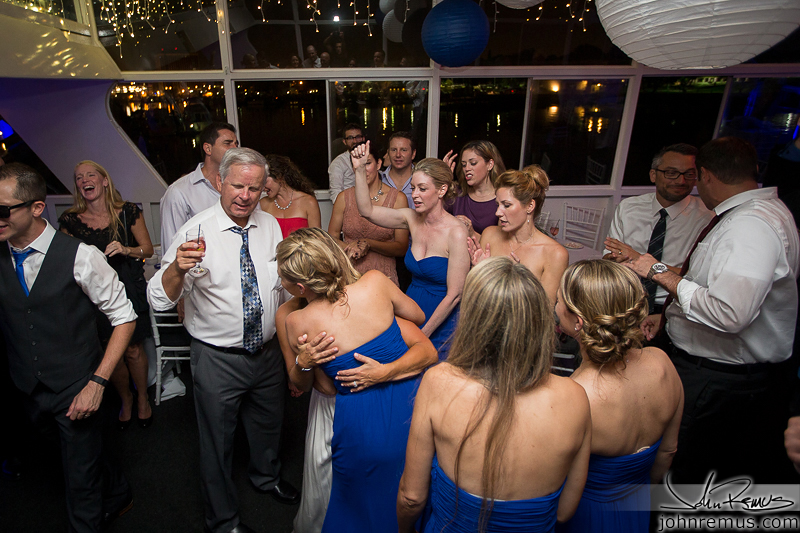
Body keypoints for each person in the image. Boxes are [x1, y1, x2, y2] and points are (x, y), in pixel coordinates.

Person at [625, 137, 800, 484]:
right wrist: (669, 314)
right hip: (722, 375)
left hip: (718, 382)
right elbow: (713, 286)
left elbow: (729, 313)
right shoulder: (757, 214)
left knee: (685, 470)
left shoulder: (750, 226)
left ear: (705, 175)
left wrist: (656, 270)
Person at [148, 148, 299, 533]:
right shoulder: (194, 232)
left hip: (267, 352)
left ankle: (266, 477)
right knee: (217, 442)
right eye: (237, 186)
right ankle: (223, 520)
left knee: (269, 424)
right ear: (220, 182)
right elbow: (158, 298)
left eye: (254, 188)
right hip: (217, 358)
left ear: (263, 188)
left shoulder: (269, 225)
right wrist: (177, 270)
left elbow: (280, 287)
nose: (245, 196)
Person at [397, 257, 592, 533]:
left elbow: (411, 498)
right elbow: (564, 511)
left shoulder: (439, 382)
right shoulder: (575, 397)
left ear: (472, 321)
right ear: (538, 322)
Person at [0, 163, 137, 533]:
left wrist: (98, 382)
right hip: (27, 386)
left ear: (36, 208)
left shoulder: (80, 255)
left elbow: (124, 317)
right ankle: (118, 490)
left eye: (3, 209)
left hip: (76, 385)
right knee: (73, 455)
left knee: (80, 480)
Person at [277, 227, 437, 533]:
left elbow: (317, 386)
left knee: (358, 501)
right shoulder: (375, 282)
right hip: (411, 403)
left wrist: (303, 362)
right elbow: (417, 317)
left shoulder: (297, 321)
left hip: (360, 418)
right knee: (416, 483)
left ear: (300, 287)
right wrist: (382, 325)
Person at [554, 260, 684, 533]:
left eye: (559, 301)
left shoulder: (574, 395)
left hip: (585, 516)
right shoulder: (662, 363)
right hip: (638, 504)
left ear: (578, 322)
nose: (556, 307)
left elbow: (552, 490)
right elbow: (668, 451)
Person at [59, 160, 155, 430]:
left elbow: (147, 249)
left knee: (133, 349)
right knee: (109, 351)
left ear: (104, 181)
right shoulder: (70, 220)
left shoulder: (128, 211)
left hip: (128, 286)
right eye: (79, 177)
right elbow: (65, 260)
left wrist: (126, 249)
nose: (85, 180)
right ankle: (126, 399)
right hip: (93, 296)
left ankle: (143, 399)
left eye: (90, 175)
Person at [355, 141, 469, 360]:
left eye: (422, 189)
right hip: (412, 311)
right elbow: (366, 210)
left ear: (442, 190)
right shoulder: (410, 218)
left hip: (442, 320)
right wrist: (360, 170)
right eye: (413, 188)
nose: (415, 195)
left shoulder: (456, 232)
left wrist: (423, 335)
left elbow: (455, 294)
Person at [603, 143, 713, 315]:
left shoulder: (707, 218)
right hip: (625, 299)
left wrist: (640, 259)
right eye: (671, 173)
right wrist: (613, 258)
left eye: (689, 174)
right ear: (653, 175)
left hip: (674, 306)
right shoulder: (628, 208)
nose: (681, 181)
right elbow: (608, 256)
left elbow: (698, 278)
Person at [469, 165, 567, 305]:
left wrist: (519, 282)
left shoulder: (555, 253)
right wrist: (478, 272)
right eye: (498, 205)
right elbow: (474, 296)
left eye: (506, 205)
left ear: (530, 206)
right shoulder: (489, 235)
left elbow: (546, 311)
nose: (498, 212)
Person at [328, 141, 409, 286]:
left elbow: (401, 247)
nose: (363, 169)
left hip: (383, 277)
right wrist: (351, 247)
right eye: (358, 165)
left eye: (367, 163)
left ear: (378, 164)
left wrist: (369, 244)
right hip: (350, 274)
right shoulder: (343, 198)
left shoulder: (398, 199)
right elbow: (331, 238)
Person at [160, 122, 239, 250]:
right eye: (228, 143)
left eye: (236, 144)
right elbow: (172, 247)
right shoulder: (180, 192)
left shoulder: (241, 187)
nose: (235, 149)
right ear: (208, 148)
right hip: (201, 262)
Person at [442, 140, 506, 237]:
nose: (467, 168)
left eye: (473, 163)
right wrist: (442, 179)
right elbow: (433, 219)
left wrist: (472, 233)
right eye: (464, 165)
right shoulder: (457, 194)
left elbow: (501, 243)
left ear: (490, 164)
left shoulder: (503, 200)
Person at [259, 154, 321, 239]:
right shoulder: (263, 204)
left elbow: (317, 240)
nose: (262, 188)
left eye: (264, 182)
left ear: (279, 177)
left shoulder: (309, 202)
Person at [327, 123, 364, 204]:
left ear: (363, 138)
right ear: (344, 141)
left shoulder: (370, 159)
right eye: (350, 138)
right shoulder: (338, 163)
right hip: (349, 205)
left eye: (358, 137)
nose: (355, 141)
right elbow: (335, 194)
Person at [381, 131, 417, 209]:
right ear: (388, 153)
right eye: (394, 150)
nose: (398, 155)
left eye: (403, 150)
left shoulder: (423, 180)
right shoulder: (378, 179)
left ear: (413, 154)